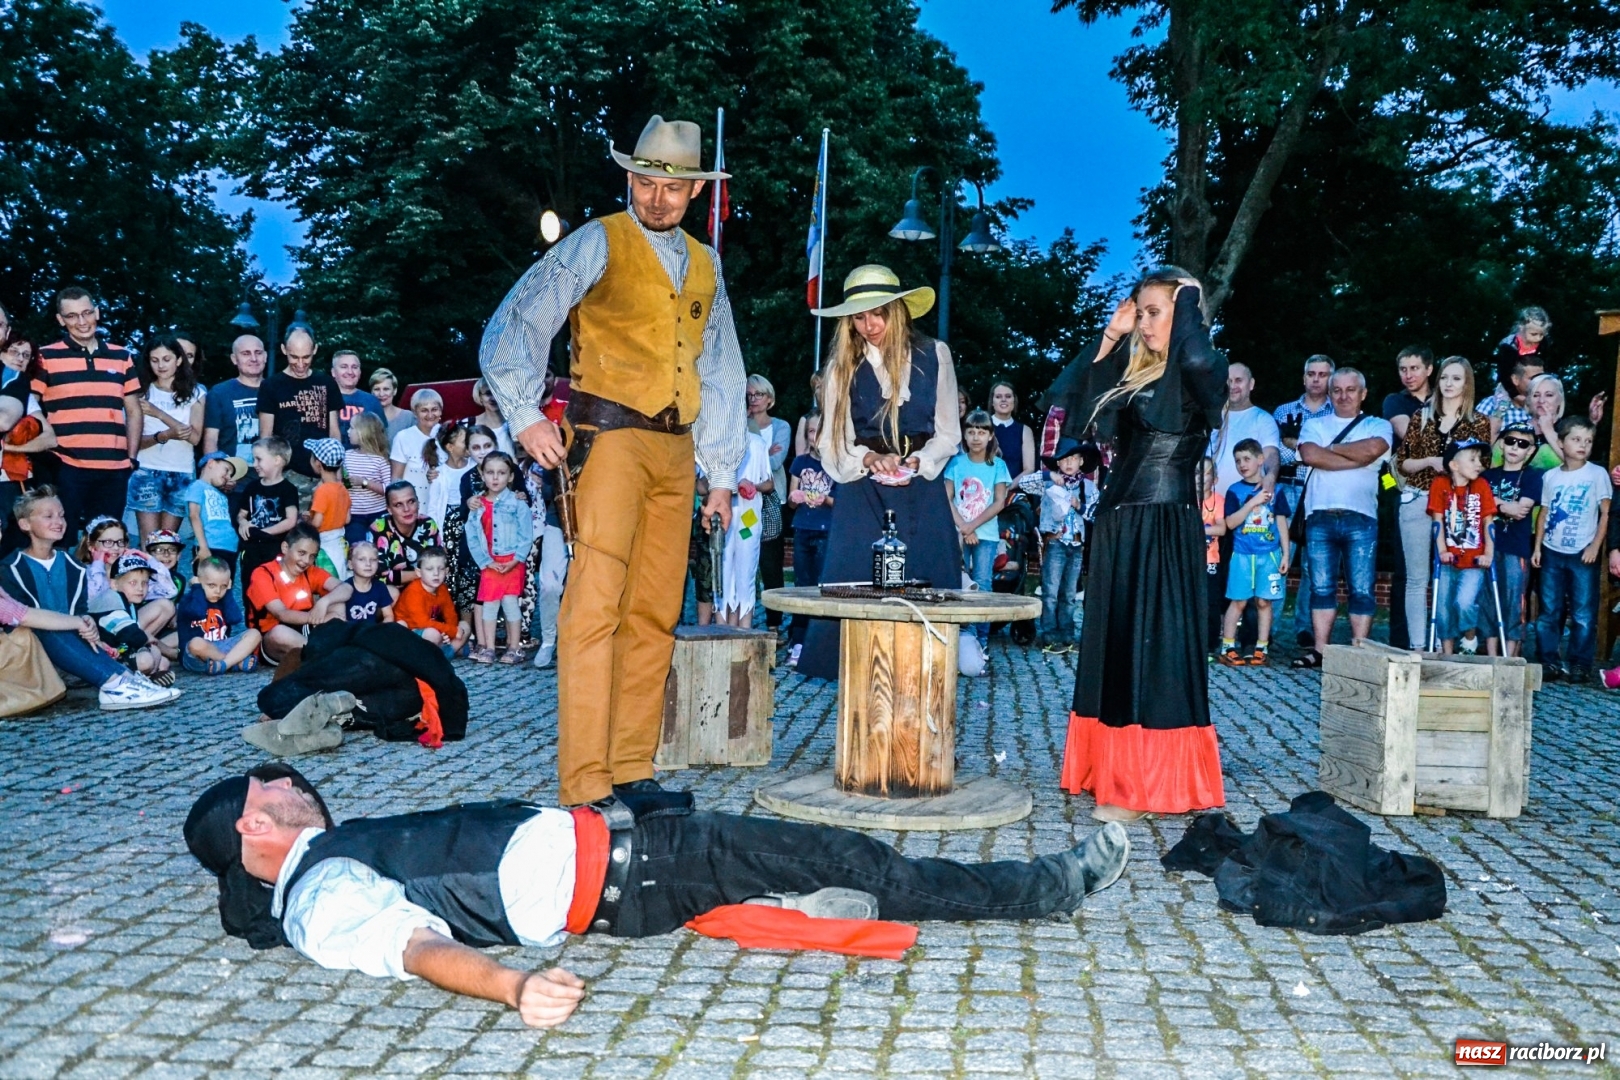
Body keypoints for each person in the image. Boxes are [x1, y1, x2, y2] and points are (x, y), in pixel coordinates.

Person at [183, 764, 1131, 1026]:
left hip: (638, 855)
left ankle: (821, 906)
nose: (299, 789)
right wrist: (514, 990)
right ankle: (1040, 890)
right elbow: (406, 946)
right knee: (848, 852)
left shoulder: (331, 855)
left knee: (818, 872)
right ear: (250, 831)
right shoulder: (320, 894)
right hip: (643, 871)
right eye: (279, 794)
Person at [478, 114, 746, 807]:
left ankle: (632, 769)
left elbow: (721, 369)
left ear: (694, 194)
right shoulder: (596, 242)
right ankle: (586, 782)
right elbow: (516, 323)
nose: (658, 197)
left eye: (673, 187)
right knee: (594, 607)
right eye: (647, 181)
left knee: (656, 612)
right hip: (608, 441)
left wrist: (721, 475)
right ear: (630, 177)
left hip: (677, 449)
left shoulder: (706, 263)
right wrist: (529, 414)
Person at [1039, 267, 1227, 821]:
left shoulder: (1202, 374)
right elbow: (1069, 398)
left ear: (1185, 315)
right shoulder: (1134, 368)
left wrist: (1187, 295)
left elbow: (1194, 358)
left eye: (1154, 313)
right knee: (1118, 649)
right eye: (1141, 311)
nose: (1145, 322)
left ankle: (1150, 782)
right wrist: (1111, 336)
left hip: (1164, 527)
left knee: (1156, 650)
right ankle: (1115, 771)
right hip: (1121, 527)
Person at [797, 265, 962, 681]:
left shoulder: (934, 354)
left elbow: (948, 431)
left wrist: (917, 462)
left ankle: (921, 674)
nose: (868, 325)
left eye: (877, 313)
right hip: (863, 492)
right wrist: (870, 461)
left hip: (920, 489)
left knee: (927, 586)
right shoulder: (841, 366)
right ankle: (862, 677)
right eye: (858, 316)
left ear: (897, 310)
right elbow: (834, 441)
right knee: (857, 586)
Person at [1, 488, 178, 709]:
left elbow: (79, 610)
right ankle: (115, 683)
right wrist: (77, 622)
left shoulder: (72, 565)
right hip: (36, 658)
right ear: (25, 524)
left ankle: (123, 678)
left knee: (85, 620)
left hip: (75, 653)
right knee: (45, 626)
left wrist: (89, 626)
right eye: (48, 516)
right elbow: (22, 618)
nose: (59, 521)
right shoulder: (10, 567)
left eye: (62, 515)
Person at [1292, 369, 1394, 669]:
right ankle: (1320, 651)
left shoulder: (1379, 425)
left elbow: (1374, 450)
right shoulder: (1314, 424)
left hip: (1361, 517)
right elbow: (1310, 455)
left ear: (1363, 393)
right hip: (1319, 514)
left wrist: (1332, 450)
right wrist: (1354, 457)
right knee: (1320, 586)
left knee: (1361, 587)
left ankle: (1359, 650)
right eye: (1337, 390)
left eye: (1351, 390)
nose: (1343, 395)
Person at [1393, 357, 1491, 650]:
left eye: (1457, 379)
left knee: (1447, 578)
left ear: (1467, 384)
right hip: (1418, 498)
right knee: (1416, 578)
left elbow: (1481, 465)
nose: (1449, 384)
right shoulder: (1421, 416)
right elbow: (1403, 462)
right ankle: (1417, 646)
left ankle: (1443, 643)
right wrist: (1432, 461)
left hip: (1458, 507)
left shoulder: (1479, 423)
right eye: (1445, 377)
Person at [30, 287, 142, 541]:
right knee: (59, 540)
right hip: (66, 466)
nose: (81, 322)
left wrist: (131, 458)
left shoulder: (122, 356)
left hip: (114, 469)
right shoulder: (45, 357)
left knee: (107, 543)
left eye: (87, 313)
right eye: (71, 316)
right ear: (61, 320)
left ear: (97, 313)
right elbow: (30, 407)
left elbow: (134, 411)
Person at [1532, 416, 1612, 683]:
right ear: (1562, 442)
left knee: (1583, 613)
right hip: (1552, 551)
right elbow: (1544, 512)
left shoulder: (1597, 474)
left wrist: (1595, 547)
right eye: (1576, 439)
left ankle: (1580, 663)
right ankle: (1549, 662)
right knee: (1549, 610)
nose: (1583, 445)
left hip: (1582, 553)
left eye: (1588, 441)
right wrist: (1538, 547)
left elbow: (1605, 513)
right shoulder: (1550, 476)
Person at [1272, 354, 1335, 648]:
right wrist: (1311, 450)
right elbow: (1276, 454)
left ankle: (1307, 628)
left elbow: (1333, 456)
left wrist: (1296, 445)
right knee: (1276, 559)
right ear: (1303, 377)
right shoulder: (1284, 411)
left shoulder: (1338, 413)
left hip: (1318, 490)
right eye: (1311, 373)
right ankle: (1266, 630)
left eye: (1322, 374)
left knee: (1314, 565)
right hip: (1285, 487)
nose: (1316, 379)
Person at [1219, 438, 1292, 666]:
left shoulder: (1276, 490)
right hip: (1242, 554)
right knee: (1238, 601)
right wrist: (1253, 503)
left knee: (1264, 602)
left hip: (1269, 555)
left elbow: (1281, 524)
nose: (1242, 464)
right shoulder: (1235, 491)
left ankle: (1262, 648)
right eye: (1238, 460)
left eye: (1247, 459)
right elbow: (1230, 523)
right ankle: (1228, 646)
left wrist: (1286, 555)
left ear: (1261, 460)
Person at [128, 337, 205, 541]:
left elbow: (195, 438)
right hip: (146, 471)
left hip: (181, 473)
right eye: (154, 360)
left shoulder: (197, 393)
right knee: (149, 540)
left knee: (168, 541)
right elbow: (133, 443)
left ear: (178, 360)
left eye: (166, 359)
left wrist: (158, 413)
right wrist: (164, 436)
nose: (161, 365)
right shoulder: (140, 393)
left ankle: (166, 575)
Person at [946, 409, 1011, 651]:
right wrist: (963, 527)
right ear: (964, 434)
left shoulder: (998, 466)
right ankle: (961, 635)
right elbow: (947, 497)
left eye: (981, 432)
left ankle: (981, 641)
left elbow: (999, 502)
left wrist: (972, 526)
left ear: (990, 435)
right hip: (959, 533)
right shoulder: (956, 463)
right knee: (959, 582)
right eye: (971, 432)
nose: (975, 437)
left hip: (985, 534)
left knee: (983, 582)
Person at [1427, 440, 1498, 655]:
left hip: (1474, 560)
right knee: (1443, 608)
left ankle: (1469, 638)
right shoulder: (1440, 484)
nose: (1479, 464)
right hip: (1449, 558)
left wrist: (1488, 553)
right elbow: (1437, 521)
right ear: (1454, 465)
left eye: (1479, 459)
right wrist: (1441, 551)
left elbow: (1488, 522)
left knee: (1465, 602)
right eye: (1473, 459)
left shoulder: (1482, 486)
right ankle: (1448, 654)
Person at [1481, 422, 1543, 657]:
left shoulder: (1533, 476)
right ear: (1501, 443)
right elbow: (1482, 501)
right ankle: (1491, 657)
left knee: (1515, 603)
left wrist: (1493, 502)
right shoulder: (1487, 475)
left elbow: (1521, 510)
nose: (1515, 447)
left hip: (1516, 549)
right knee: (1487, 602)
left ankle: (1511, 659)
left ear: (1530, 451)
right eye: (1510, 441)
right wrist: (1502, 505)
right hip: (1488, 546)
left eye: (1523, 443)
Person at [246, 524, 346, 663]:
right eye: (302, 553)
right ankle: (326, 654)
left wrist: (325, 602)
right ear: (285, 548)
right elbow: (282, 614)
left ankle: (320, 653)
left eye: (312, 556)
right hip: (272, 639)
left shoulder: (310, 571)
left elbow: (346, 588)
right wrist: (320, 618)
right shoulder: (263, 574)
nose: (306, 561)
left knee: (338, 601)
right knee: (279, 633)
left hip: (306, 629)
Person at [467, 452, 533, 664]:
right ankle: (489, 647)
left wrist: (517, 559)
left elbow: (526, 535)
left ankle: (514, 648)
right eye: (490, 472)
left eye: (501, 473)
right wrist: (485, 562)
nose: (495, 478)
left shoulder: (517, 503)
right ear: (482, 474)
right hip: (489, 562)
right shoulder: (477, 506)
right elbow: (472, 536)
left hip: (512, 561)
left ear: (510, 477)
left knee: (510, 602)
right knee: (490, 604)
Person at [1036, 437, 1095, 653]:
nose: (1069, 463)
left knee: (1070, 593)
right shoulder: (1048, 483)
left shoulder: (1087, 487)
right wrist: (1047, 474)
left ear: (1081, 461)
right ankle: (1049, 634)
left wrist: (1079, 506)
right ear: (1058, 463)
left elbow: (1095, 513)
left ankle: (1067, 634)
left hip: (1076, 546)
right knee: (1050, 590)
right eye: (1064, 459)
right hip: (1055, 543)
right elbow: (1021, 484)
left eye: (1074, 458)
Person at [258, 329, 342, 481]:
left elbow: (334, 434)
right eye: (294, 357)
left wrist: (337, 476)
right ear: (284, 350)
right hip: (286, 475)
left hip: (324, 476)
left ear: (315, 349)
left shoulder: (327, 383)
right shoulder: (271, 386)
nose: (301, 364)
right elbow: (266, 437)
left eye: (306, 357)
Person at [784, 414, 834, 665]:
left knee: (822, 586)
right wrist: (796, 497)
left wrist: (824, 499)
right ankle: (799, 640)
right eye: (812, 432)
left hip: (826, 530)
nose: (815, 437)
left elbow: (840, 503)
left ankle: (821, 642)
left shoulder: (836, 465)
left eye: (820, 431)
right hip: (803, 528)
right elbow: (791, 499)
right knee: (802, 585)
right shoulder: (800, 463)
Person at [746, 374, 791, 633]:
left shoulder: (781, 427)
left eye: (758, 394)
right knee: (743, 561)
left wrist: (757, 450)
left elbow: (775, 464)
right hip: (743, 499)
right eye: (750, 395)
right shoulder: (739, 423)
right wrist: (765, 449)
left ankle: (774, 624)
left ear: (769, 398)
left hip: (772, 500)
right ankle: (742, 618)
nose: (753, 400)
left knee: (771, 565)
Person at [89, 553, 174, 684]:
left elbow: (125, 643)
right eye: (133, 583)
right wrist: (149, 640)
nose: (140, 588)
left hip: (117, 649)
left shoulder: (128, 600)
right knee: (147, 659)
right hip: (98, 656)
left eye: (144, 583)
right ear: (114, 584)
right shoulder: (111, 600)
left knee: (162, 661)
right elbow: (132, 635)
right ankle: (135, 680)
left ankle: (147, 678)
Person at [718, 430, 772, 628]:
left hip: (748, 517)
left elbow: (769, 483)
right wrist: (732, 484)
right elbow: (702, 486)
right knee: (723, 571)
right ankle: (722, 628)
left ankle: (744, 627)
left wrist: (753, 486)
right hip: (724, 514)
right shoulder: (718, 441)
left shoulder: (757, 443)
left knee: (745, 570)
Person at [177, 557, 262, 674]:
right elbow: (198, 612)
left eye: (223, 586)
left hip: (221, 646)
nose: (218, 591)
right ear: (198, 581)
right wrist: (197, 589)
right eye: (212, 585)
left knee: (255, 633)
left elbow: (235, 618)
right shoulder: (188, 600)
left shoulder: (223, 600)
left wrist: (228, 593)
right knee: (196, 643)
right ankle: (235, 662)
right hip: (196, 655)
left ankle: (224, 664)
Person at [236, 437, 301, 583]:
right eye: (254, 459)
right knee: (250, 585)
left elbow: (290, 520)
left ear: (277, 460)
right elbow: (242, 514)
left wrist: (264, 532)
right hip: (252, 548)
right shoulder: (252, 487)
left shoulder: (288, 490)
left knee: (274, 585)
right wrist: (243, 523)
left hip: (275, 548)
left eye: (259, 459)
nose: (255, 464)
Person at [392, 546, 469, 659]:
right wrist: (451, 631)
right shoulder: (414, 591)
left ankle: (442, 654)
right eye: (429, 569)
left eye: (441, 569)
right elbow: (422, 623)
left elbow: (450, 615)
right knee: (433, 634)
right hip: (412, 631)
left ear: (446, 571)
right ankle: (445, 653)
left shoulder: (442, 588)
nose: (436, 574)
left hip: (433, 630)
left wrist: (449, 634)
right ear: (418, 572)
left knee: (465, 626)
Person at [203, 335, 268, 459]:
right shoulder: (219, 393)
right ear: (234, 359)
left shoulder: (276, 390)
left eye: (258, 353)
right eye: (246, 353)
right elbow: (211, 439)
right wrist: (214, 471)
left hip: (271, 474)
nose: (253, 358)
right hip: (232, 474)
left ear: (265, 356)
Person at [187, 451, 248, 580]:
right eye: (226, 470)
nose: (228, 476)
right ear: (211, 463)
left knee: (225, 587)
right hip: (210, 545)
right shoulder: (197, 486)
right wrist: (203, 547)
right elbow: (194, 515)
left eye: (230, 475)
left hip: (230, 547)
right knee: (206, 587)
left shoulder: (221, 494)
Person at [369, 481, 442, 587]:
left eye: (411, 501)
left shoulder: (428, 524)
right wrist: (422, 574)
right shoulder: (378, 528)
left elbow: (438, 564)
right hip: (391, 593)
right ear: (389, 509)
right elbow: (379, 576)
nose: (406, 509)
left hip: (424, 587)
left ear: (418, 503)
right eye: (398, 505)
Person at [304, 438, 352, 580]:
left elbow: (317, 523)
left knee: (325, 582)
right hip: (339, 542)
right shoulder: (342, 488)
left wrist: (308, 521)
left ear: (318, 464)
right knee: (340, 578)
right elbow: (347, 518)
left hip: (324, 544)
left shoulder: (322, 490)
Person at [342, 412, 394, 543]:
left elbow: (389, 490)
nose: (348, 431)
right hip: (354, 515)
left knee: (381, 546)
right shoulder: (347, 456)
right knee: (356, 546)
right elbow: (344, 483)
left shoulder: (381, 459)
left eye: (352, 428)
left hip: (378, 514)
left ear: (364, 432)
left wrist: (364, 482)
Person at [389, 388, 444, 496]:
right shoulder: (403, 438)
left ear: (441, 411)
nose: (430, 415)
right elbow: (396, 479)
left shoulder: (449, 435)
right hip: (414, 504)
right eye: (424, 410)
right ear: (415, 413)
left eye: (434, 409)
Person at [421, 423, 475, 530]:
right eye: (465, 441)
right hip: (449, 526)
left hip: (472, 519)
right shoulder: (439, 474)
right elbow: (433, 508)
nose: (470, 444)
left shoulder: (474, 466)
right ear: (450, 447)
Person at [330, 350, 383, 446]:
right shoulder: (322, 398)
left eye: (354, 367)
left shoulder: (372, 401)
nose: (350, 372)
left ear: (360, 372)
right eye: (344, 367)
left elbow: (381, 439)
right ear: (333, 372)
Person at [988, 381, 1038, 482]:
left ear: (1014, 400)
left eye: (1008, 396)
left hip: (1013, 490)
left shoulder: (1025, 430)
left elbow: (1029, 469)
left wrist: (1007, 489)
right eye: (998, 397)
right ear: (992, 402)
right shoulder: (982, 426)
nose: (1003, 400)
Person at [341, 542, 396, 625]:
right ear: (350, 564)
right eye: (361, 559)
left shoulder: (380, 587)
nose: (368, 564)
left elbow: (389, 616)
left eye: (373, 560)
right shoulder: (344, 589)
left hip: (373, 633)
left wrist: (377, 631)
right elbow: (341, 622)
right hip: (351, 634)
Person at [470, 378, 516, 457]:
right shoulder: (468, 424)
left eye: (498, 393)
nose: (494, 398)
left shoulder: (516, 421)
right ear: (480, 397)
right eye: (488, 393)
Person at [369, 367, 415, 442]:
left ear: (394, 391)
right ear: (371, 392)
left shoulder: (408, 418)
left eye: (386, 389)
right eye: (377, 389)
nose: (381, 394)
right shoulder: (365, 417)